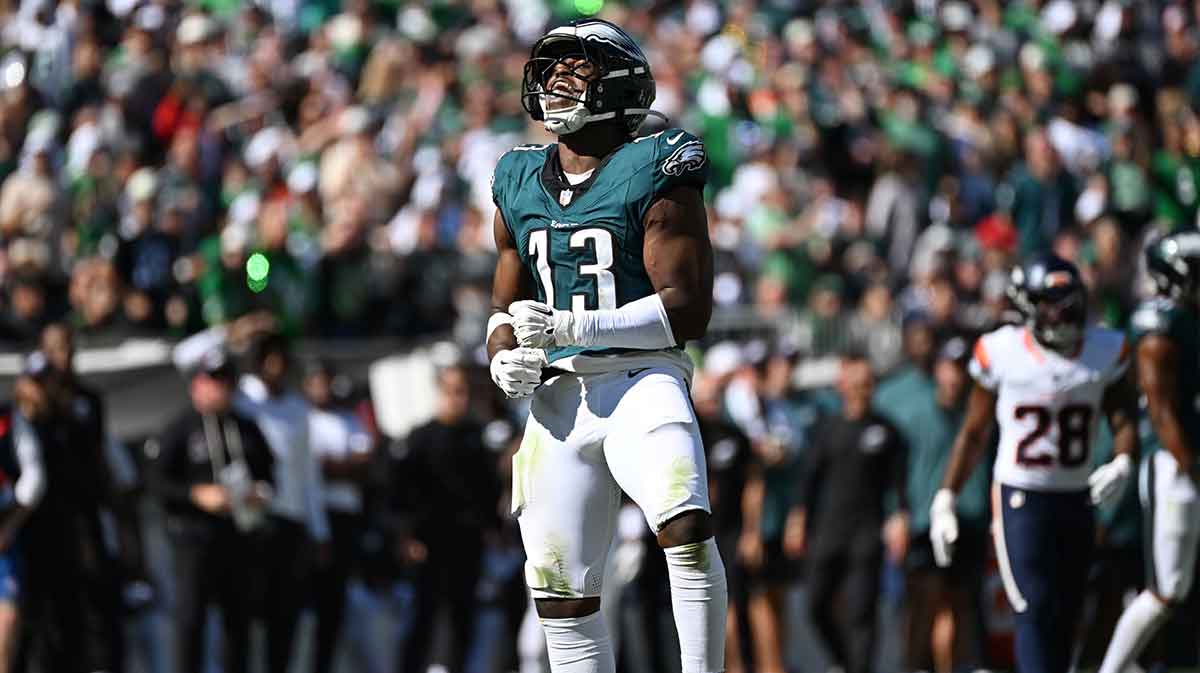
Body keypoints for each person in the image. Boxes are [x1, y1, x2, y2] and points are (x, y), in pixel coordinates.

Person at [486, 18, 726, 673]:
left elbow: (688, 309)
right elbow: (505, 298)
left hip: (640, 379)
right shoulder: (515, 177)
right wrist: (502, 352)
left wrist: (572, 327)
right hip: (561, 399)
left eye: (579, 66)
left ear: (620, 84)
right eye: (552, 65)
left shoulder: (656, 163)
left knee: (683, 524)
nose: (559, 77)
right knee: (562, 597)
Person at [931, 254, 1140, 673]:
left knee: (1066, 613)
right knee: (1034, 607)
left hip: (1077, 497)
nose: (1064, 312)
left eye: (1070, 301)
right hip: (1021, 497)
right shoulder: (1003, 351)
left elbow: (1123, 418)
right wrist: (946, 497)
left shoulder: (1104, 349)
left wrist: (1123, 460)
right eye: (1052, 302)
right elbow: (974, 433)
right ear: (1026, 306)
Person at [1096, 233, 1200, 673]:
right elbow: (1159, 410)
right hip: (1174, 465)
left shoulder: (1185, 318)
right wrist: (1190, 464)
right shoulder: (1159, 325)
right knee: (1166, 589)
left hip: (1186, 459)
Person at [149, 348, 274, 673]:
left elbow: (270, 473)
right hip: (194, 538)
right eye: (213, 381)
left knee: (239, 622)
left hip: (238, 536)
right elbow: (156, 483)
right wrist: (196, 495)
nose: (220, 389)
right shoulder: (180, 428)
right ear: (198, 384)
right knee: (191, 620)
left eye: (226, 382)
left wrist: (260, 493)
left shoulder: (247, 427)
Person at [791, 353, 909, 673]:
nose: (861, 390)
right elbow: (809, 480)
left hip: (867, 532)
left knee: (862, 611)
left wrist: (899, 518)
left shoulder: (887, 432)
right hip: (828, 531)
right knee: (815, 603)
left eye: (867, 384)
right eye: (855, 383)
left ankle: (859, 667)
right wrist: (798, 519)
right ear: (843, 386)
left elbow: (899, 486)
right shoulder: (828, 429)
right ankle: (842, 661)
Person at [393, 364, 500, 673]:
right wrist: (407, 536)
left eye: (464, 392)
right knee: (420, 618)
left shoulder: (476, 437)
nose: (459, 399)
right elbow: (401, 493)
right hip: (429, 545)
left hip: (466, 545)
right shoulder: (419, 439)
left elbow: (487, 489)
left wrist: (491, 528)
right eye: (453, 391)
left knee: (463, 619)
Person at [235, 332, 329, 673]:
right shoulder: (242, 400)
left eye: (281, 359)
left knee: (284, 612)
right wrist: (232, 331)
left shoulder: (297, 409)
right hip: (252, 521)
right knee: (246, 613)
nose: (276, 367)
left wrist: (319, 529)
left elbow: (309, 473)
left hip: (291, 521)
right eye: (269, 358)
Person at [897, 338, 989, 673]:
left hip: (970, 519)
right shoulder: (914, 415)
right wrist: (899, 515)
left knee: (967, 605)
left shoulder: (979, 415)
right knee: (924, 605)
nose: (954, 378)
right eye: (948, 368)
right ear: (937, 370)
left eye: (960, 369)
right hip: (924, 523)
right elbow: (898, 473)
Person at [305, 360, 373, 673]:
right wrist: (335, 467)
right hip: (313, 516)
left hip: (345, 518)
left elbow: (364, 464)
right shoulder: (302, 419)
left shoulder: (349, 420)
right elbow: (311, 470)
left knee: (335, 602)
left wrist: (333, 467)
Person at [0, 367, 48, 673]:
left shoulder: (8, 419)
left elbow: (34, 478)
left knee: (8, 618)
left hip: (4, 528)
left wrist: (10, 524)